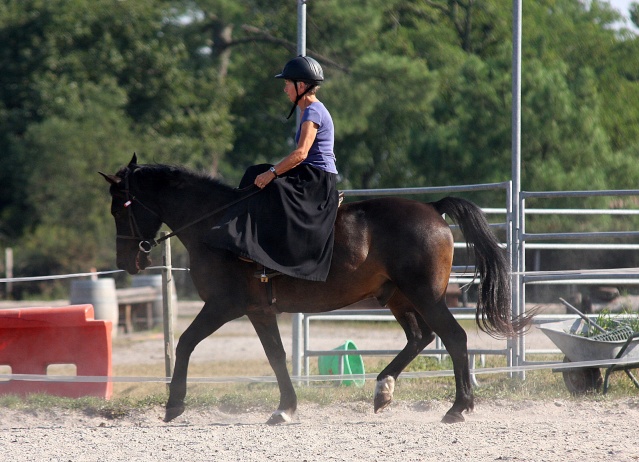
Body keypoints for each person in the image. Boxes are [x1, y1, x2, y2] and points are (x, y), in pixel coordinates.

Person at [206, 56, 339, 282]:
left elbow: (301, 154)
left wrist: (272, 173)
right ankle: (244, 242)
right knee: (253, 174)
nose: (285, 88)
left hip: (315, 179)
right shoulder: (310, 111)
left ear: (302, 86)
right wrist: (269, 173)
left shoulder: (313, 111)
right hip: (310, 174)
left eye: (288, 83)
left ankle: (265, 254)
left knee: (265, 183)